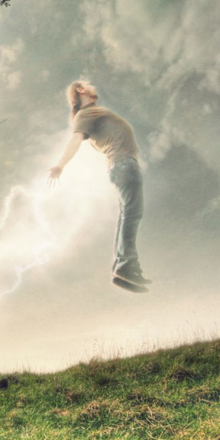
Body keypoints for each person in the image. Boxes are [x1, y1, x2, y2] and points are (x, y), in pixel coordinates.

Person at [48, 80, 152, 291]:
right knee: (132, 213)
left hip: (122, 165)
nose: (93, 86)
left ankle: (123, 267)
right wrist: (60, 165)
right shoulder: (84, 114)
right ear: (81, 90)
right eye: (88, 84)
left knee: (128, 214)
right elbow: (76, 139)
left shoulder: (92, 113)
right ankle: (126, 266)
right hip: (123, 165)